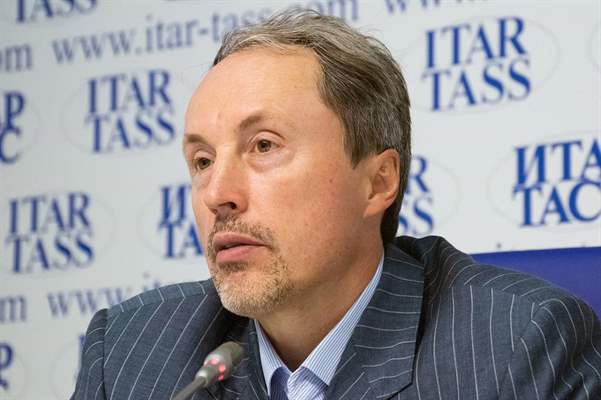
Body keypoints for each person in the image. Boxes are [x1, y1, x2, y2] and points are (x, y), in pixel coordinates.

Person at [72, 10, 601, 400]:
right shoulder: (129, 354)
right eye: (203, 160)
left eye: (263, 146)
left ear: (377, 182)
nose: (217, 194)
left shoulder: (517, 346)